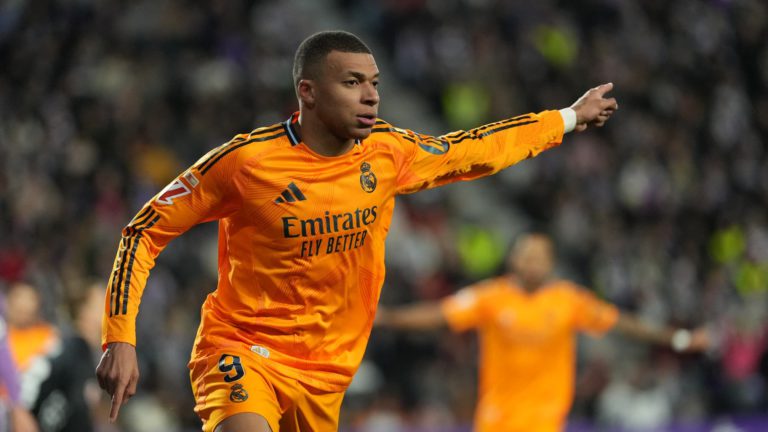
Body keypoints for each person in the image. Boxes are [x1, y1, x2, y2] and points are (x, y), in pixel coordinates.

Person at [96, 30, 618, 432]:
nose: (370, 97)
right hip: (243, 348)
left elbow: (475, 149)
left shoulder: (389, 153)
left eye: (374, 84)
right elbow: (143, 231)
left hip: (328, 373)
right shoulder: (245, 163)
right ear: (308, 92)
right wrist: (120, 336)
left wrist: (567, 118)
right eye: (352, 83)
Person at [375, 233, 710, 432]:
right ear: (513, 260)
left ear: (550, 263)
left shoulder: (568, 300)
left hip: (545, 419)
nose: (532, 262)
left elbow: (622, 323)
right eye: (526, 256)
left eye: (539, 257)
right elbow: (439, 314)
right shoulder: (491, 297)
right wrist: (388, 317)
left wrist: (677, 338)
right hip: (497, 418)